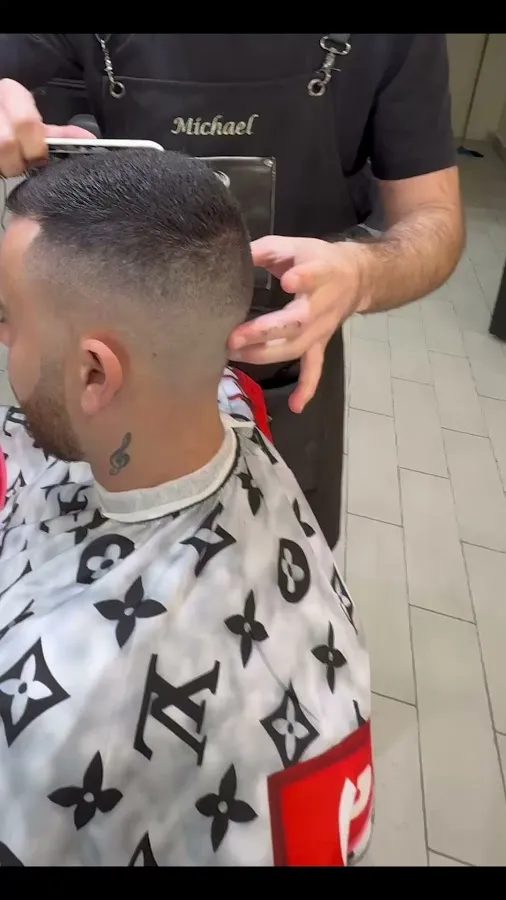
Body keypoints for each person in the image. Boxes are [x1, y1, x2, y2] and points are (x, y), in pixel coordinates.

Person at [0, 149, 371, 867]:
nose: (2, 338)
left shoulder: (61, 719)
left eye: (8, 318)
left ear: (94, 373)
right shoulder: (227, 403)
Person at [0, 33, 465, 548]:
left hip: (281, 360)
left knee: (267, 553)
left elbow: (435, 218)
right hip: (103, 369)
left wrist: (362, 274)